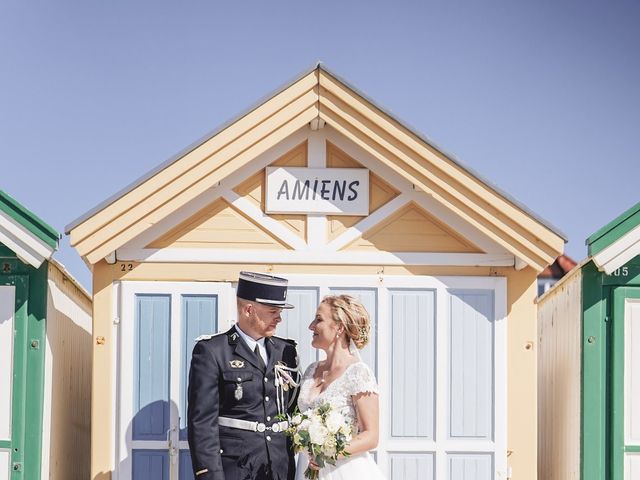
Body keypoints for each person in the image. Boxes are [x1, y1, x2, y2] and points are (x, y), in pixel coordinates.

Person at [188, 271, 301, 480]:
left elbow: (293, 410)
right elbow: (203, 423)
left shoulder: (286, 351)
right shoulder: (213, 351)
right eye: (273, 311)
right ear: (249, 310)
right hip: (235, 469)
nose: (279, 318)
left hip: (280, 468)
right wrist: (209, 475)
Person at [295, 294, 385, 479]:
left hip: (345, 470)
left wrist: (327, 453)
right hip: (307, 469)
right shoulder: (312, 370)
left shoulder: (358, 373)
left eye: (318, 320)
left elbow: (371, 436)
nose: (311, 326)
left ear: (339, 327)